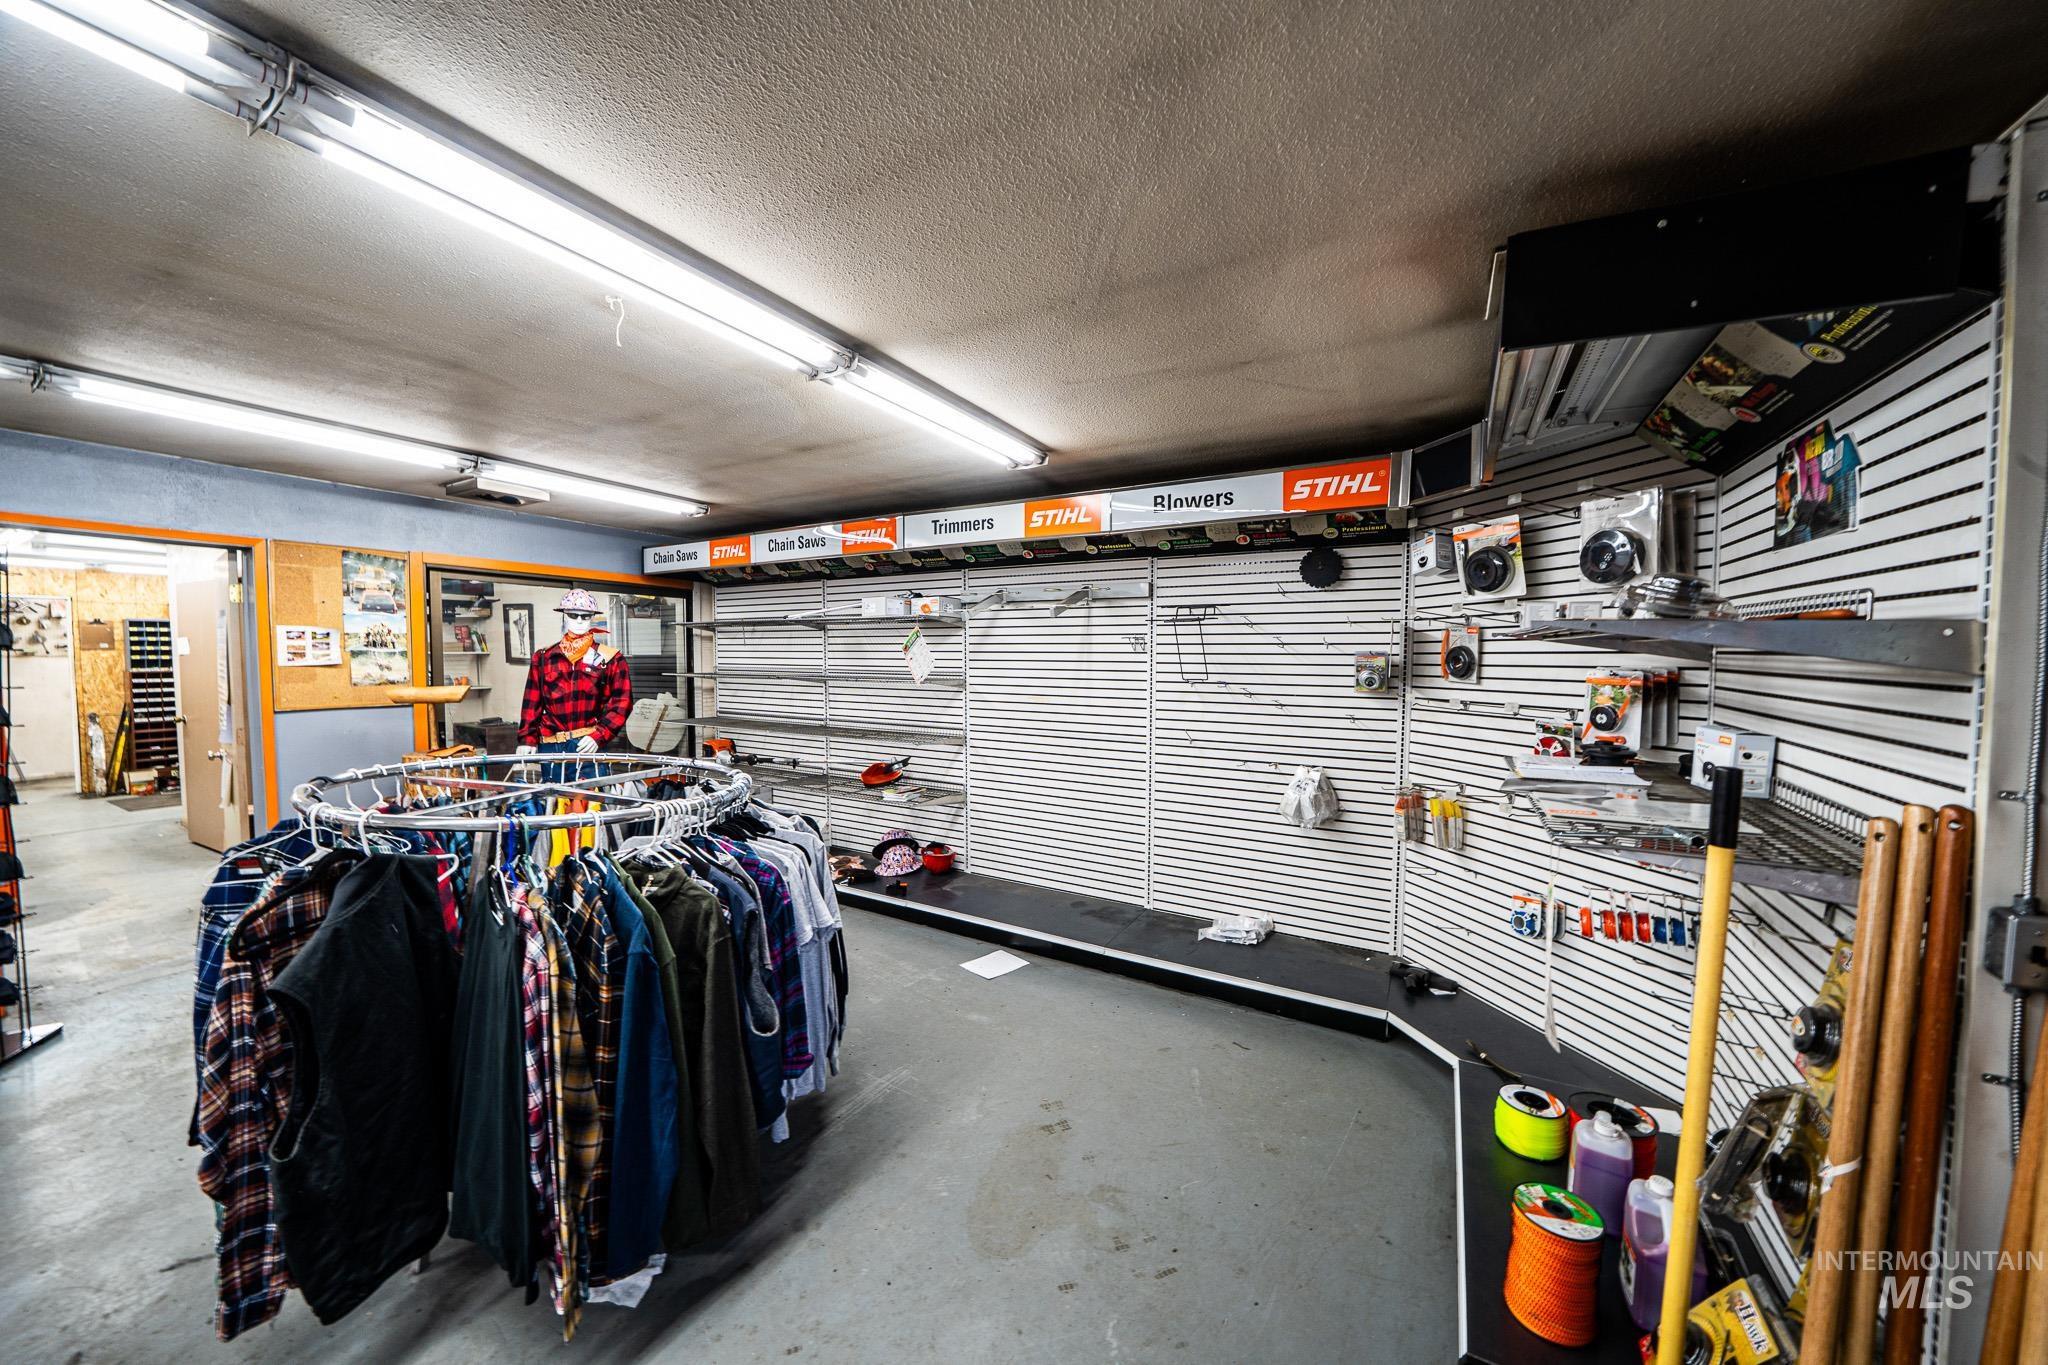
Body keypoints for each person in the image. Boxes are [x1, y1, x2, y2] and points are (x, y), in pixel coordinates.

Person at [515, 589, 633, 765]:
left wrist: (599, 735)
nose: (579, 620)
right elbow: (532, 702)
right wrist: (527, 739)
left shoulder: (611, 658)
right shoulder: (544, 657)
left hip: (588, 744)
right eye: (573, 615)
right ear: (564, 615)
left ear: (592, 617)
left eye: (585, 616)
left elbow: (622, 703)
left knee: (591, 785)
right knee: (552, 786)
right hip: (551, 745)